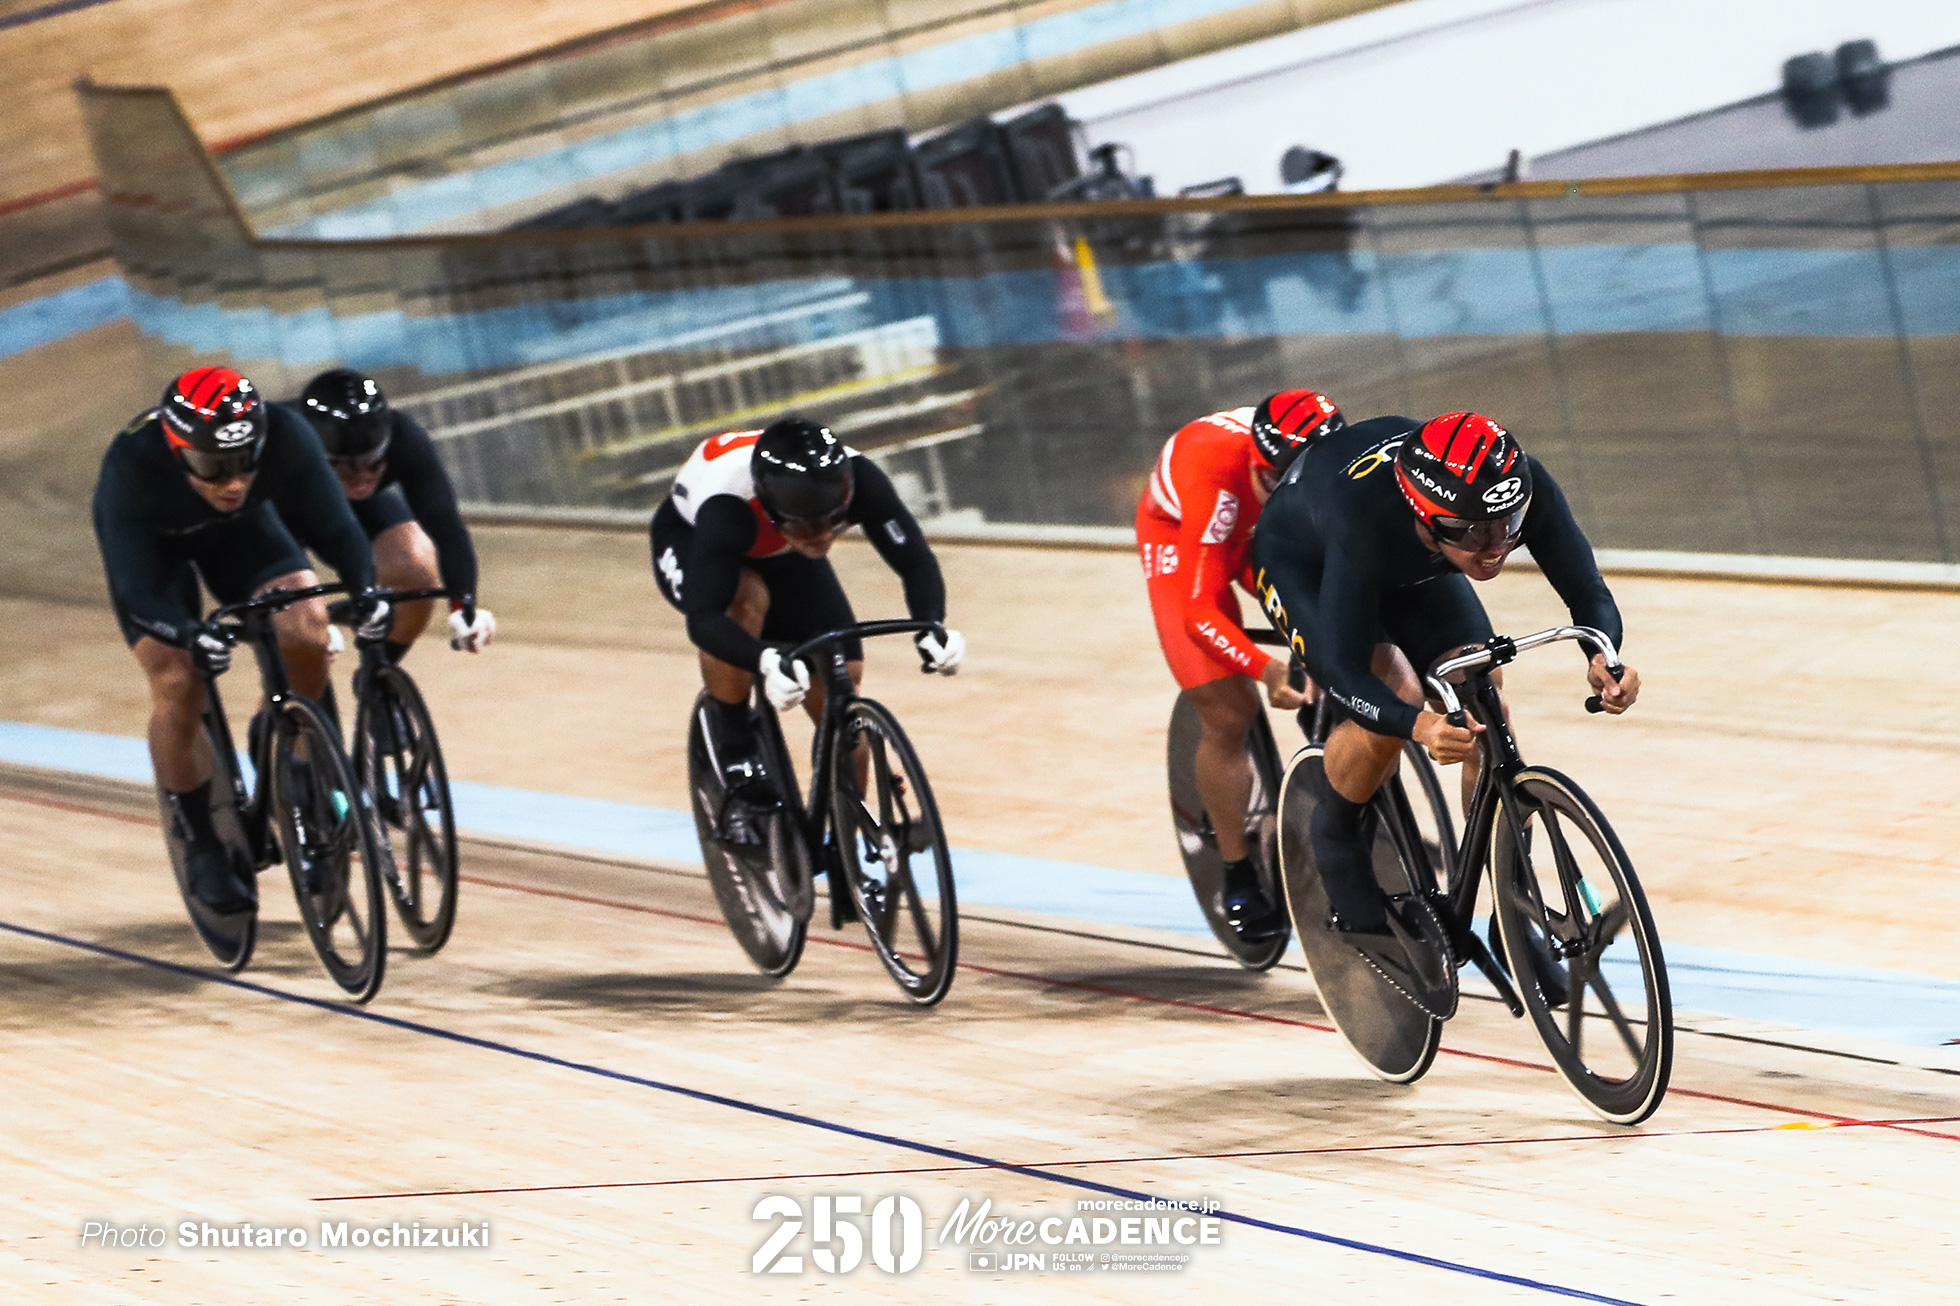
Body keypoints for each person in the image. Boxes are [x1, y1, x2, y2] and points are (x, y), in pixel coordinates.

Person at [1252, 411, 1640, 934]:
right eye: (1475, 534)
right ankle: (1336, 835)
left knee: (1484, 694)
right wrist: (1419, 726)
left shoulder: (1519, 487)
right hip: (1304, 560)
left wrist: (1603, 655)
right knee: (1397, 690)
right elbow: (1345, 669)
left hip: (1409, 558)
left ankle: (1513, 909)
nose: (1496, 547)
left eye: (1507, 527)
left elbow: (1587, 589)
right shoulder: (1367, 522)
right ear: (1426, 517)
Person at [92, 367, 386, 914]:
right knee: (179, 679)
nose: (233, 482)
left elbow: (339, 529)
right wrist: (185, 633)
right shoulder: (132, 466)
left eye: (244, 462)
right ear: (178, 450)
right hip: (157, 557)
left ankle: (295, 761)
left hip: (242, 536)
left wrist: (368, 590)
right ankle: (200, 836)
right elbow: (135, 592)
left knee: (308, 627)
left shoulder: (286, 433)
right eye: (213, 467)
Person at [650, 417, 962, 844]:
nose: (821, 538)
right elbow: (703, 619)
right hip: (689, 537)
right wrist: (764, 661)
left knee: (843, 675)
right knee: (746, 601)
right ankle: (736, 754)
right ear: (772, 508)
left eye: (833, 523)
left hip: (779, 549)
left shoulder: (861, 480)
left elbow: (916, 561)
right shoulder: (728, 507)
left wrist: (931, 625)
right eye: (805, 526)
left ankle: (844, 837)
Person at [1136, 390, 1345, 940]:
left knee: (1343, 637)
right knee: (1229, 714)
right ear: (1258, 464)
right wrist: (1267, 669)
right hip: (1183, 535)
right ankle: (1236, 869)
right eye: (1277, 480)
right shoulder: (1218, 481)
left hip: (1258, 531)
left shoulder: (1316, 469)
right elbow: (1199, 616)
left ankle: (1353, 793)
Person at [288, 368, 493, 660]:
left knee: (418, 569)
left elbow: (446, 528)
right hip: (292, 512)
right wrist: (309, 619)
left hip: (362, 511)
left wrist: (462, 606)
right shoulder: (288, 448)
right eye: (344, 467)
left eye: (371, 463)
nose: (361, 478)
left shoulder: (406, 438)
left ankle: (382, 670)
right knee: (299, 641)